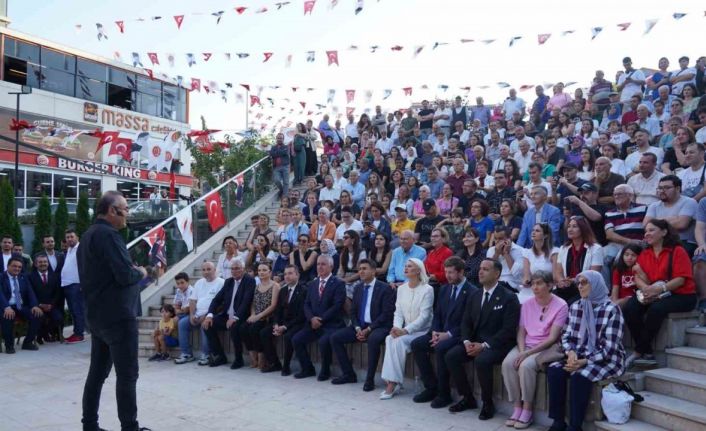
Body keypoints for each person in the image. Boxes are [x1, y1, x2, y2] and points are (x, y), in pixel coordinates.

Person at [76, 191, 149, 431]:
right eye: (125, 209)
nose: (127, 214)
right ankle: (130, 427)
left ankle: (90, 425)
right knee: (127, 376)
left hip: (98, 317)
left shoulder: (87, 236)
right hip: (118, 317)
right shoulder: (109, 235)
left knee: (96, 375)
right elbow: (124, 274)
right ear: (112, 211)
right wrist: (141, 272)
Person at [547, 270, 625, 431]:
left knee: (580, 376)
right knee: (554, 370)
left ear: (595, 285)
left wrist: (583, 362)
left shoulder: (611, 310)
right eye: (578, 283)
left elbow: (610, 349)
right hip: (578, 356)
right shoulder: (576, 306)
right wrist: (571, 353)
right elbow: (566, 336)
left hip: (607, 360)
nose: (580, 287)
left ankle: (576, 426)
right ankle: (558, 421)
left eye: (584, 283)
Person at [445, 259, 520, 419]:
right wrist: (466, 342)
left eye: (485, 269)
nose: (480, 272)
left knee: (482, 361)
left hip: (498, 344)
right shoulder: (475, 294)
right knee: (451, 356)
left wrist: (484, 345)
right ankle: (467, 398)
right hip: (474, 342)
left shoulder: (509, 297)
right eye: (480, 268)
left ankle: (488, 403)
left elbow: (508, 330)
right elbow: (466, 322)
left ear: (497, 274)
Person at [623, 219, 697, 367]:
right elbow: (638, 276)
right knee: (630, 308)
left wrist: (659, 289)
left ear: (664, 232)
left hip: (682, 295)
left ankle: (639, 351)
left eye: (651, 230)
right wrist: (646, 289)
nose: (647, 233)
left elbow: (681, 279)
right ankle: (648, 352)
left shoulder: (677, 251)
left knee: (656, 309)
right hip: (655, 292)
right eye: (646, 231)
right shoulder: (645, 253)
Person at [502, 271, 568, 429]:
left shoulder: (561, 305)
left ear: (550, 285)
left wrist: (527, 354)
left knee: (526, 366)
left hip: (547, 346)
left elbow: (553, 338)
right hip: (526, 345)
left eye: (539, 283)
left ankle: (527, 409)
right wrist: (522, 350)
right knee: (508, 363)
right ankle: (517, 406)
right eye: (533, 284)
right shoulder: (526, 304)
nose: (535, 287)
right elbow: (521, 331)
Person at [412, 257, 476, 408]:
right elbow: (438, 314)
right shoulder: (444, 288)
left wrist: (448, 335)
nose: (447, 276)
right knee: (417, 344)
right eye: (446, 272)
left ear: (461, 272)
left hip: (459, 335)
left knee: (441, 348)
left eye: (451, 272)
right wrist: (435, 332)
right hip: (440, 332)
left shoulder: (473, 292)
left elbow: (469, 322)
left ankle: (444, 394)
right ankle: (431, 387)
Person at [330, 259, 395, 391]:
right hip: (361, 326)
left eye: (365, 268)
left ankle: (369, 379)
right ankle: (349, 374)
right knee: (335, 337)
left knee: (373, 339)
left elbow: (386, 314)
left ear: (373, 271)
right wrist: (358, 328)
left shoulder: (385, 288)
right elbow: (353, 312)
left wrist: (369, 329)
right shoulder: (358, 287)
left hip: (379, 326)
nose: (361, 271)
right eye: (359, 269)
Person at [379, 258, 434, 399]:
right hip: (405, 330)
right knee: (389, 338)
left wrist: (405, 330)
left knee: (398, 342)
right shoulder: (402, 288)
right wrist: (396, 328)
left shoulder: (427, 289)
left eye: (410, 266)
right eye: (405, 266)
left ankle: (392, 384)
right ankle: (392, 381)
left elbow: (425, 317)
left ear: (418, 270)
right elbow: (398, 312)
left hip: (422, 331)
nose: (406, 268)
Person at [292, 255, 346, 380]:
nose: (319, 267)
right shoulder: (312, 284)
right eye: (318, 264)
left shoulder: (338, 283)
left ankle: (325, 371)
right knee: (296, 339)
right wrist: (311, 319)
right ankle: (307, 369)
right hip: (313, 323)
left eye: (323, 264)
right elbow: (307, 304)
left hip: (331, 324)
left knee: (323, 342)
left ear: (331, 266)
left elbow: (337, 306)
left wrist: (321, 319)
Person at [201, 259, 255, 368]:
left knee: (235, 328)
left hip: (241, 317)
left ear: (243, 269)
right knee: (207, 325)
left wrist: (235, 317)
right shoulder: (228, 282)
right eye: (232, 269)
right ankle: (220, 356)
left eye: (237, 268)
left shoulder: (249, 280)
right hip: (226, 316)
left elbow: (246, 302)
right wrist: (209, 315)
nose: (234, 271)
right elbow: (216, 300)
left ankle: (239, 359)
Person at [174, 262, 224, 366]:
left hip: (211, 315)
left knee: (204, 325)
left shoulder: (221, 283)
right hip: (196, 314)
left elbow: (221, 304)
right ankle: (187, 354)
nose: (206, 272)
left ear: (215, 270)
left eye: (209, 269)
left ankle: (206, 355)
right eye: (204, 269)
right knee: (182, 323)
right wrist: (192, 314)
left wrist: (206, 315)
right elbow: (192, 301)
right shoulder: (199, 282)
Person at [260, 265, 307, 375]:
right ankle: (275, 363)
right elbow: (277, 311)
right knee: (264, 333)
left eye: (290, 273)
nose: (287, 276)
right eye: (285, 274)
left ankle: (286, 366)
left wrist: (285, 327)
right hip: (283, 323)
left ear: (297, 275)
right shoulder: (283, 290)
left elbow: (301, 315)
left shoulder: (304, 290)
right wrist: (276, 324)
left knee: (288, 336)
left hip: (297, 323)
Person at [644, 175, 699, 254]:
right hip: (658, 242)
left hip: (683, 242)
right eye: (660, 188)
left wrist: (656, 221)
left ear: (677, 189)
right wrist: (673, 218)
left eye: (666, 188)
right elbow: (646, 225)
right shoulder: (654, 205)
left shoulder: (689, 202)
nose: (662, 191)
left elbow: (681, 224)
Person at [554, 216, 604, 304]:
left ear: (583, 229)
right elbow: (558, 272)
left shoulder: (596, 249)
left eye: (574, 226)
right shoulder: (563, 248)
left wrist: (573, 281)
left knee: (570, 304)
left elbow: (594, 275)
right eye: (569, 226)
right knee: (550, 300)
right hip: (567, 287)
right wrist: (562, 281)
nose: (570, 229)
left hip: (587, 288)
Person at [240, 262, 280, 370]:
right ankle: (253, 357)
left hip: (268, 317)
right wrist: (253, 314)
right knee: (243, 328)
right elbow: (253, 303)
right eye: (259, 270)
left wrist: (258, 316)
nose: (261, 272)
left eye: (264, 270)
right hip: (257, 315)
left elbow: (273, 305)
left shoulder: (275, 286)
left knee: (254, 329)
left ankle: (261, 357)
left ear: (270, 272)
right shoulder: (257, 285)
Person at [1, 256, 42, 353]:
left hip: (20, 306)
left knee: (37, 315)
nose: (17, 269)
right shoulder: (1, 277)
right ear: (8, 266)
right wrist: (6, 307)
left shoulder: (23, 277)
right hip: (6, 306)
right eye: (14, 266)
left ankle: (27, 342)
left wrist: (34, 305)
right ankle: (9, 345)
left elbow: (30, 292)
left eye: (19, 267)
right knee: (8, 317)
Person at [27, 254, 62, 343]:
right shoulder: (30, 277)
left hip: (51, 305)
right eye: (40, 262)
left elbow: (58, 293)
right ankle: (43, 335)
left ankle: (42, 334)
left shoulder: (55, 276)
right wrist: (39, 305)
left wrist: (51, 305)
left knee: (58, 318)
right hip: (38, 306)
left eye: (45, 262)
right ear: (35, 264)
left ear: (48, 263)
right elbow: (30, 294)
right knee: (40, 318)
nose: (43, 264)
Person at [521, 223, 559, 303]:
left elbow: (555, 277)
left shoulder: (554, 252)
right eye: (533, 230)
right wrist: (526, 282)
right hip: (533, 287)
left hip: (548, 288)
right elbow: (526, 276)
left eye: (537, 231)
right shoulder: (527, 252)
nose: (533, 233)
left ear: (545, 236)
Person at [61, 228, 84, 344]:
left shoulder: (80, 249)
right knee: (73, 311)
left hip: (76, 284)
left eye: (72, 237)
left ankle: (79, 334)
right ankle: (77, 332)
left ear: (77, 238)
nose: (69, 239)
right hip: (67, 284)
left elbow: (85, 268)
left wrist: (83, 284)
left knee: (77, 310)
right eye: (67, 237)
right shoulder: (69, 250)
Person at [610, 243, 644, 309]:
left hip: (635, 298)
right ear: (622, 256)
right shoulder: (618, 270)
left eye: (633, 255)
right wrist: (615, 301)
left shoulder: (640, 269)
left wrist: (640, 271)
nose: (629, 258)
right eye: (626, 254)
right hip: (620, 298)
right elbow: (615, 288)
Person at [270, 132, 290, 198]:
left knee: (286, 182)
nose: (279, 139)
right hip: (276, 167)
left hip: (285, 166)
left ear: (283, 139)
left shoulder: (286, 146)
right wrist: (279, 153)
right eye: (278, 138)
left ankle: (285, 196)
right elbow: (272, 154)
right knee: (276, 180)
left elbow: (283, 152)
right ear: (276, 139)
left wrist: (276, 153)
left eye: (281, 138)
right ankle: (281, 190)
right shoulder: (273, 147)